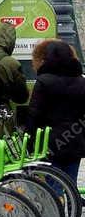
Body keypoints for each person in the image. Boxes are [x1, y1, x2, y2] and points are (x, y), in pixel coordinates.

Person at [26, 39, 85, 189]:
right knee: (71, 184)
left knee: (54, 186)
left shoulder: (43, 82)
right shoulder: (81, 82)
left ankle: (58, 210)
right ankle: (73, 210)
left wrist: (30, 143)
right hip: (74, 140)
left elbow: (34, 115)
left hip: (50, 143)